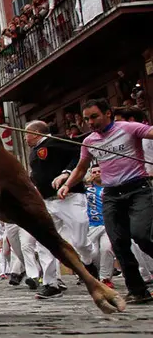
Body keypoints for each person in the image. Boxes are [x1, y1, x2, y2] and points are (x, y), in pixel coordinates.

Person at [59, 98, 153, 303]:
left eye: (94, 117)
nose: (90, 123)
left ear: (108, 113)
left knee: (142, 235)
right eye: (86, 119)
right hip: (111, 194)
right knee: (118, 242)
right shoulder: (89, 141)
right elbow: (81, 168)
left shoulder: (128, 128)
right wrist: (68, 184)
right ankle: (137, 290)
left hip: (138, 188)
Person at [26, 120, 95, 299]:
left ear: (36, 133)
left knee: (80, 242)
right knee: (45, 242)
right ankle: (51, 283)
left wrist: (66, 172)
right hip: (47, 202)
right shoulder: (33, 152)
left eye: (27, 134)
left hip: (69, 198)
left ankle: (88, 262)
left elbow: (79, 154)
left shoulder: (55, 141)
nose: (25, 138)